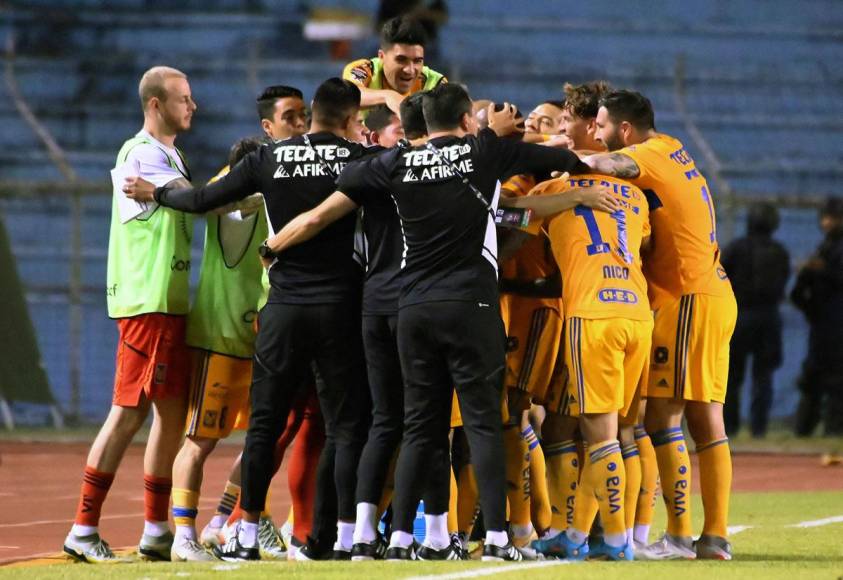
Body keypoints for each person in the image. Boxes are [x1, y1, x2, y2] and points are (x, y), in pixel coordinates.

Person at [261, 83, 619, 562]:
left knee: (417, 427)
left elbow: (331, 202)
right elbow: (551, 160)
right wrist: (586, 176)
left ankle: (391, 540)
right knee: (483, 424)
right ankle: (496, 539)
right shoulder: (482, 153)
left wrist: (275, 245)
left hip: (413, 309)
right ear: (467, 121)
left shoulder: (393, 163)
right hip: (470, 304)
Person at [125, 78, 375, 562]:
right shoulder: (359, 161)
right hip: (340, 309)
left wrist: (155, 192)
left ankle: (245, 532)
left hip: (281, 309)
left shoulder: (268, 158)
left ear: (313, 113)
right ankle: (340, 536)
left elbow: (202, 200)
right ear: (348, 120)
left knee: (263, 424)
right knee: (344, 426)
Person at [584, 90, 738, 561]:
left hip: (688, 295)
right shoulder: (672, 147)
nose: (597, 133)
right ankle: (710, 536)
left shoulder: (643, 155)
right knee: (699, 416)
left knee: (666, 416)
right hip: (709, 291)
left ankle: (685, 536)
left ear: (625, 130)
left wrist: (544, 151)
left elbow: (611, 168)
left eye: (603, 126)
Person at [63, 66, 196, 563]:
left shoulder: (169, 153)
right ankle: (82, 526)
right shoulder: (140, 152)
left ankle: (157, 528)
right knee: (128, 412)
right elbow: (187, 200)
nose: (194, 105)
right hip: (148, 301)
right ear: (156, 104)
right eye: (184, 98)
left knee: (169, 413)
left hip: (167, 300)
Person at [528, 170, 653, 562]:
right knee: (621, 430)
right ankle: (577, 533)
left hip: (593, 313)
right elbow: (644, 241)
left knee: (600, 437)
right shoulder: (633, 191)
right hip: (637, 311)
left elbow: (508, 218)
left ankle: (617, 543)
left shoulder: (553, 188)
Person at [169, 136, 267, 562]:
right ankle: (182, 534)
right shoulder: (223, 200)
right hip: (219, 338)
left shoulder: (269, 203)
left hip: (262, 338)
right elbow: (210, 200)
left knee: (264, 439)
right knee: (200, 440)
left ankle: (220, 523)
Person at [721, 202, 790, 438]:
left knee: (731, 377)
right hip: (768, 317)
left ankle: (729, 428)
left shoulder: (735, 248)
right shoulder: (780, 251)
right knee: (763, 377)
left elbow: (720, 277)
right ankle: (758, 429)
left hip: (739, 315)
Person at [791, 197, 843, 437]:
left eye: (831, 218)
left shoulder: (834, 250)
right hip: (823, 323)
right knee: (813, 376)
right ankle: (804, 428)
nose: (826, 223)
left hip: (835, 322)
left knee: (835, 379)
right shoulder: (826, 247)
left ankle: (833, 429)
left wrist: (820, 270)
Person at [343, 15, 446, 114]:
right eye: (401, 59)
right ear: (382, 57)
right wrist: (388, 96)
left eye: (417, 61)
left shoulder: (435, 82)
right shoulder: (364, 69)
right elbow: (348, 96)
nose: (409, 70)